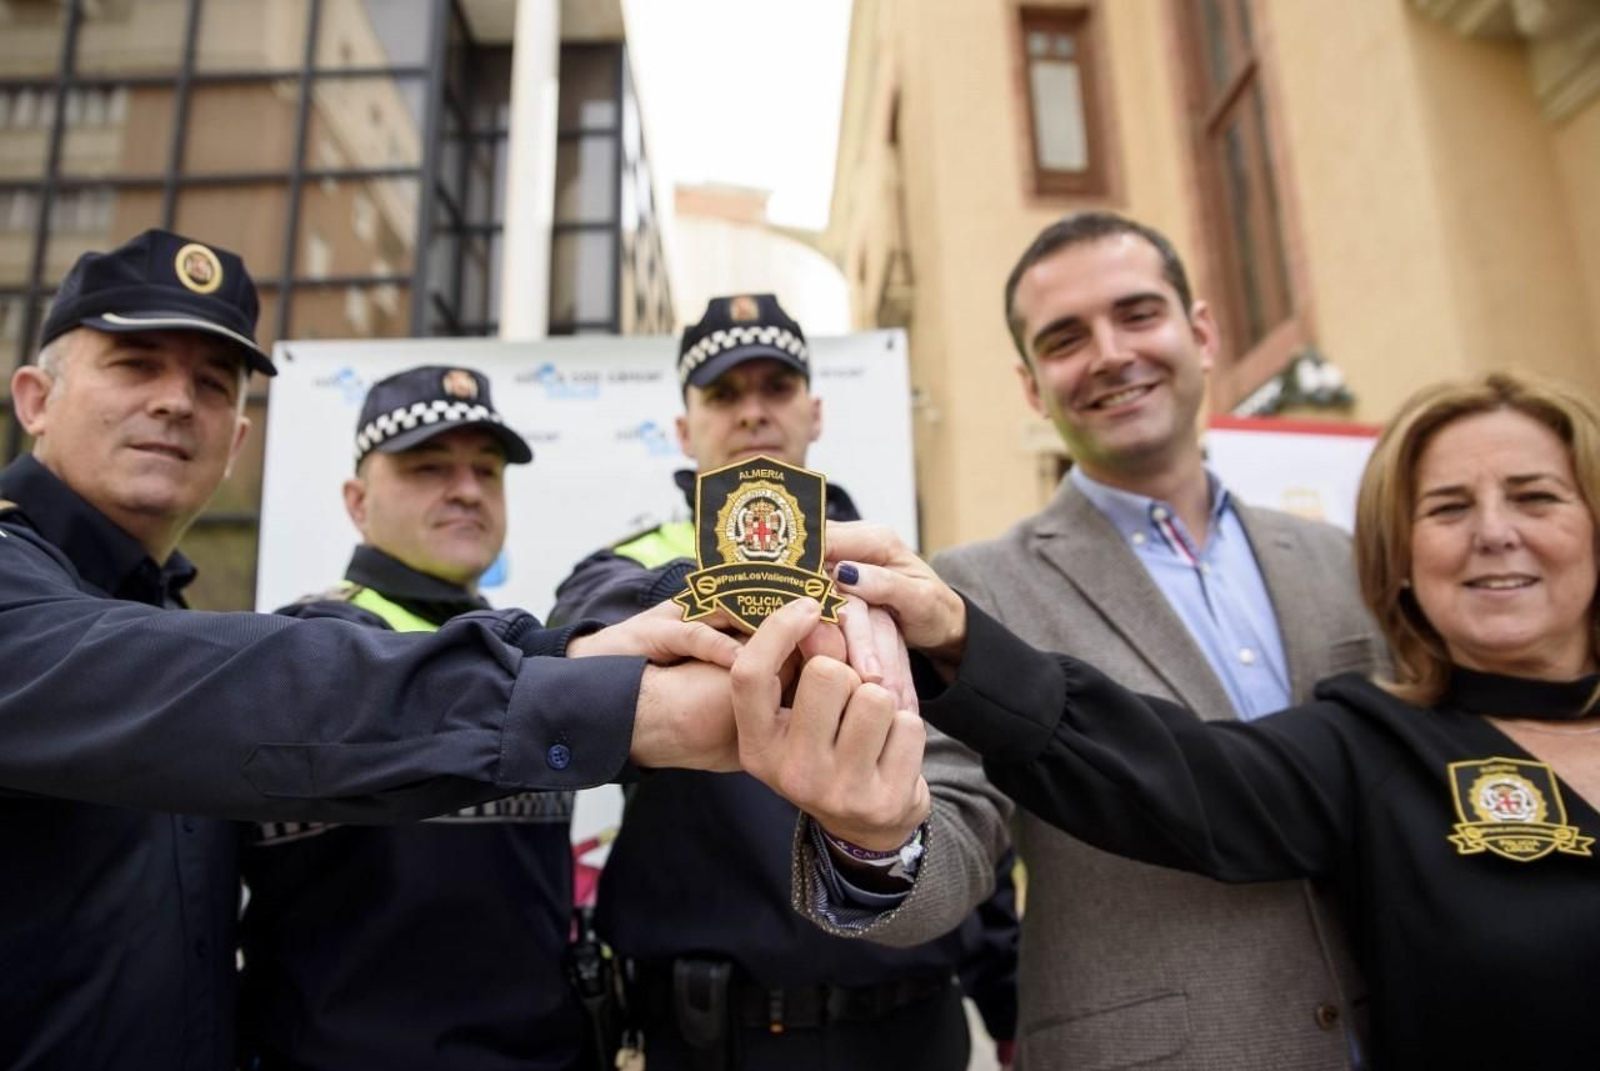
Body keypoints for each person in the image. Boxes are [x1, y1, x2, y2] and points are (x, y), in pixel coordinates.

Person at [0, 229, 742, 1071]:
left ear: (238, 439)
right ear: (33, 399)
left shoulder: (167, 611)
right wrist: (568, 685)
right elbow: (256, 689)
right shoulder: (290, 642)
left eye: (213, 382)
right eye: (135, 365)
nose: (177, 401)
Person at [759, 369, 1600, 1070]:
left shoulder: (1321, 559)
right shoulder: (1376, 744)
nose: (1495, 533)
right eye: (1449, 508)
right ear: (1403, 560)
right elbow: (1178, 769)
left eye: (1536, 496)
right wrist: (962, 646)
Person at [789, 212, 1386, 1070]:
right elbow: (950, 849)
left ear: (1202, 332)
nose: (1110, 353)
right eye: (1065, 338)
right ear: (1032, 386)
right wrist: (871, 836)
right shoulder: (972, 594)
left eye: (1138, 314)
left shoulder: (1340, 561)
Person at [549, 294, 1018, 1071]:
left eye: (776, 387)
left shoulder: (901, 576)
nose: (754, 412)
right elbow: (584, 646)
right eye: (724, 394)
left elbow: (968, 791)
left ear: (815, 410)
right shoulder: (624, 573)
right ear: (682, 427)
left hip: (912, 1027)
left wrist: (1008, 1001)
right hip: (714, 1035)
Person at [236, 365, 589, 1070]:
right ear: (357, 500)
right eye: (429, 467)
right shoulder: (303, 648)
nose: (466, 489)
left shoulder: (530, 656)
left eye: (486, 471)